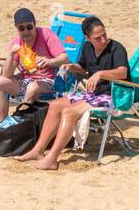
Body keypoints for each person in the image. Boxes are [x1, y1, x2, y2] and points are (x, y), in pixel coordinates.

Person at [14, 15, 130, 171]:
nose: (103, 39)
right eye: (97, 37)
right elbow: (84, 68)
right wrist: (71, 67)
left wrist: (100, 74)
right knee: (54, 106)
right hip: (93, 93)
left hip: (112, 95)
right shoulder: (88, 48)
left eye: (104, 34)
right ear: (87, 38)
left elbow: (122, 72)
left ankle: (52, 159)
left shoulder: (116, 48)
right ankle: (38, 151)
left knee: (69, 113)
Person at [0, 8, 67, 120]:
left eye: (29, 27)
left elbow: (65, 58)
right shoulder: (17, 43)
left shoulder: (46, 35)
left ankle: (20, 121)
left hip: (49, 80)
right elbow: (6, 75)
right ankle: (2, 126)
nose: (26, 31)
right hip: (25, 80)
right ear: (17, 29)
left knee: (32, 87)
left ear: (34, 25)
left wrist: (50, 61)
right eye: (21, 28)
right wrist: (11, 55)